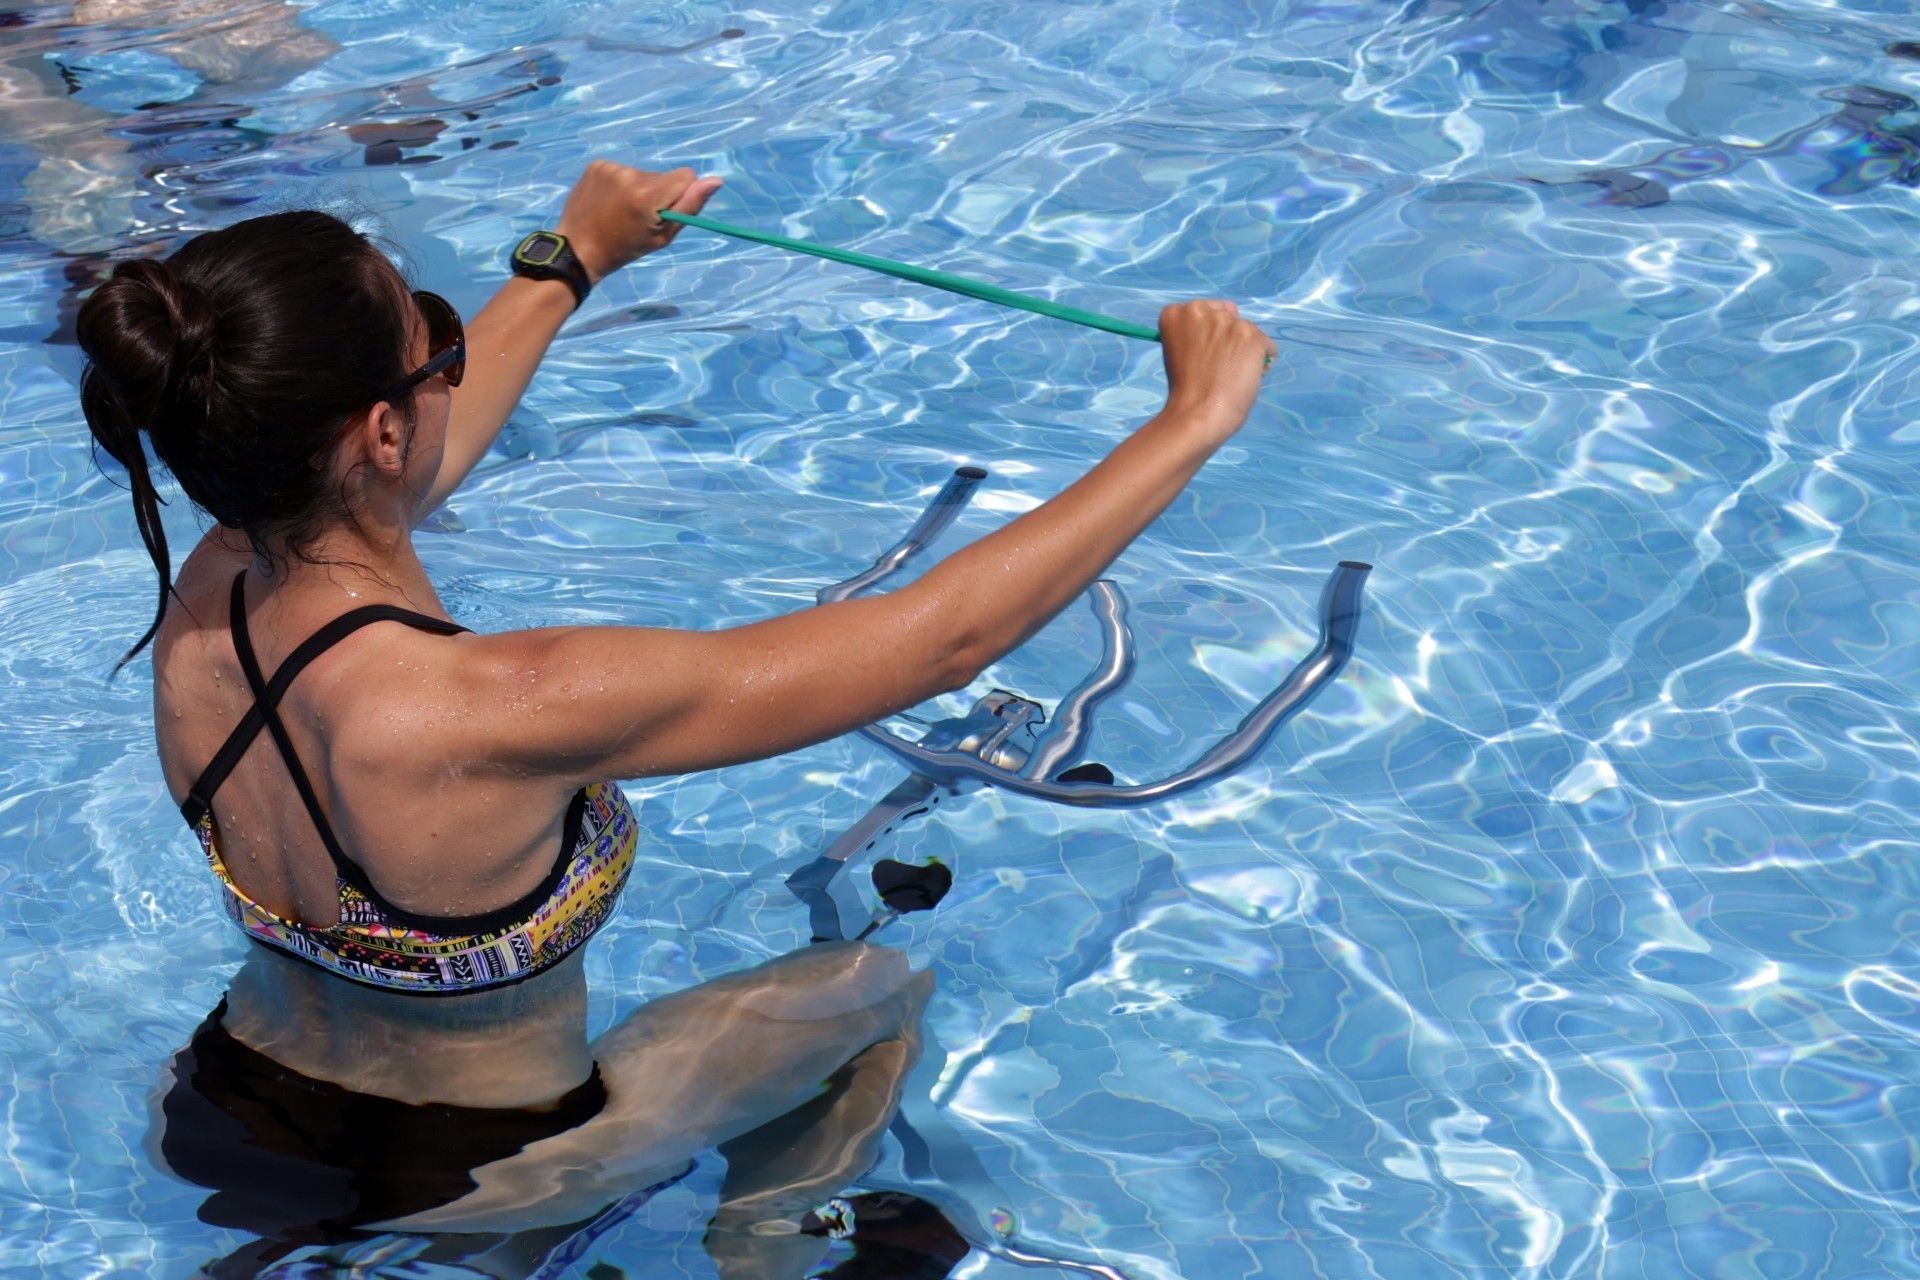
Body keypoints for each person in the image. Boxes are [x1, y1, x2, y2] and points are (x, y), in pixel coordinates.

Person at [77, 160, 1275, 1269]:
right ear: (381, 429)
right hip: (485, 1176)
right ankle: (763, 1238)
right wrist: (1191, 422)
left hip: (227, 1118)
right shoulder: (496, 705)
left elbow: (390, 471)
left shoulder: (207, 592)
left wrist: (570, 261)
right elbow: (938, 641)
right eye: (435, 338)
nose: (455, 360)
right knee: (874, 989)